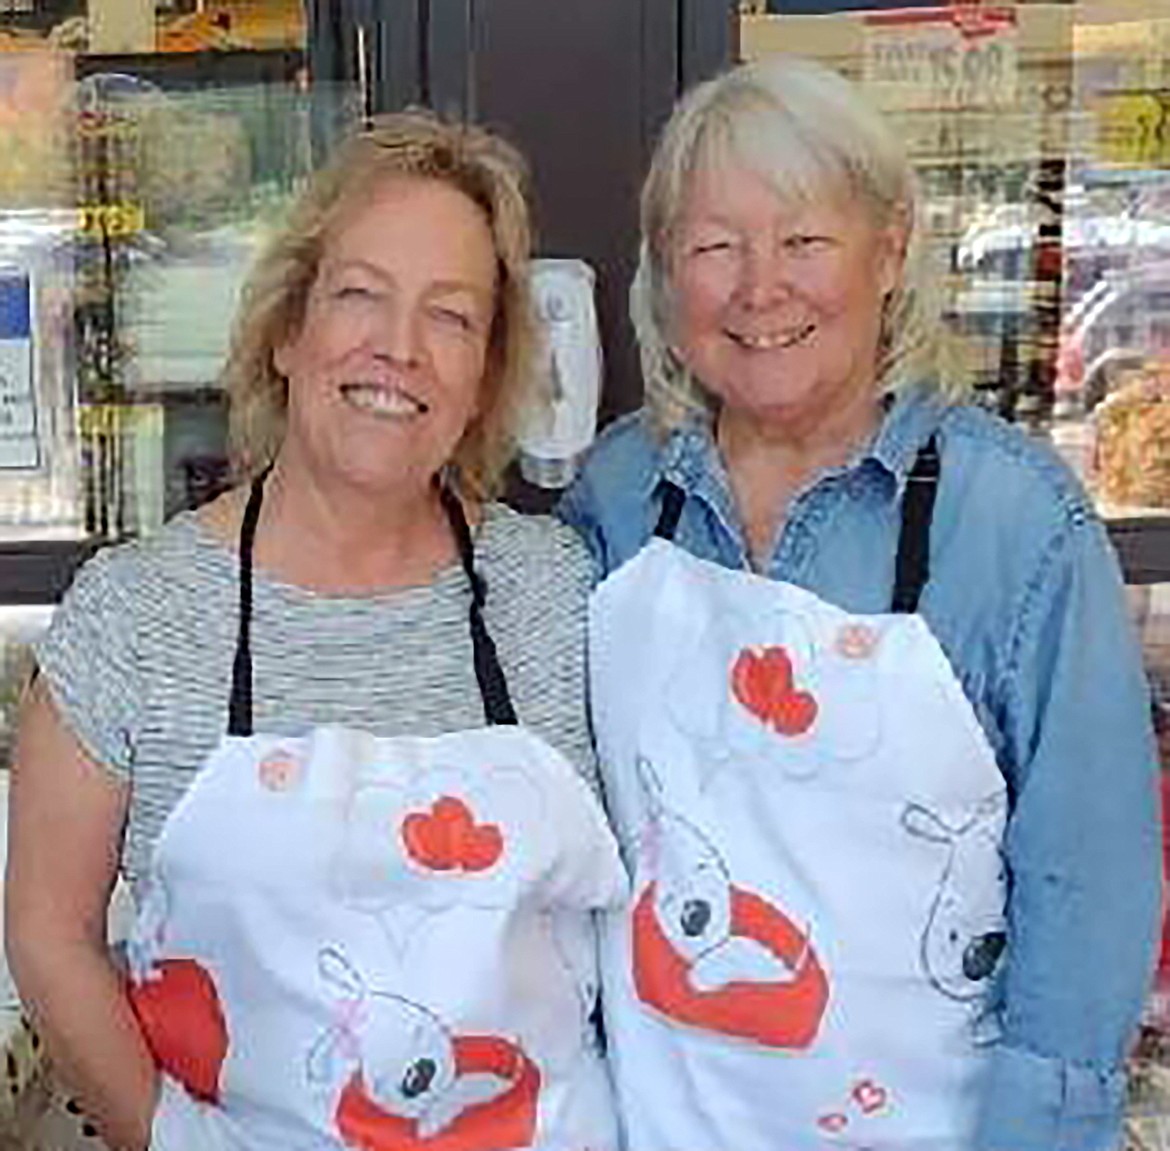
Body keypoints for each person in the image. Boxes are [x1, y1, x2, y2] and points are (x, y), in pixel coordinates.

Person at [560, 55, 1160, 1151]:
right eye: (714, 246)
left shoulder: (1011, 520)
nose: (759, 287)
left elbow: (1090, 886)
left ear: (889, 251)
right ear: (664, 275)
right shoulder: (615, 495)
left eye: (804, 240)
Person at [7, 110, 626, 1151]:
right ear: (288, 330)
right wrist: (172, 1136)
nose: (400, 347)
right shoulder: (137, 612)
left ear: (486, 372)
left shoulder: (558, 590)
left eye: (451, 316)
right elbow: (46, 929)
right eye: (361, 295)